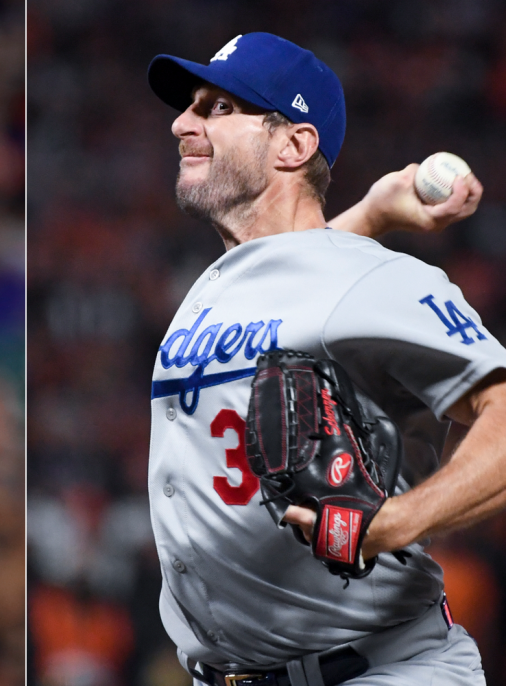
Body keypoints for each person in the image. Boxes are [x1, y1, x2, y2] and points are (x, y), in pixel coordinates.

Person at [145, 33, 494, 685]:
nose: (181, 123)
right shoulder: (229, 282)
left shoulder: (373, 279)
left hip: (376, 670)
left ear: (294, 145)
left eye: (217, 108)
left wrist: (394, 523)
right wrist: (369, 212)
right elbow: (305, 285)